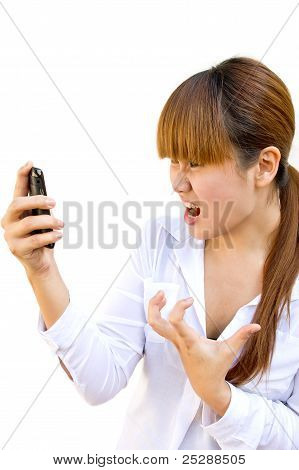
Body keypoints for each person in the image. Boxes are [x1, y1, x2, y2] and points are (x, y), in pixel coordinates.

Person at [1, 56, 299, 450]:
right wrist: (42, 271)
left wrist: (220, 397)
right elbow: (101, 378)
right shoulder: (164, 234)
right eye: (174, 159)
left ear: (263, 166)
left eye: (196, 162)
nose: (177, 181)